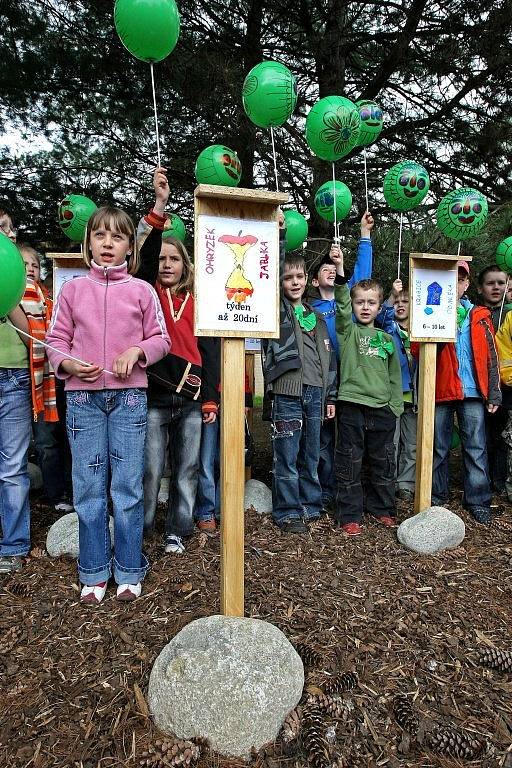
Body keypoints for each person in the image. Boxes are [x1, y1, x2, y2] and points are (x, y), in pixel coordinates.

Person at [46, 206, 170, 603]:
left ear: (129, 248)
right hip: (82, 400)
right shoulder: (72, 290)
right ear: (88, 243)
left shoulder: (141, 290)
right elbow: (55, 341)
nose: (107, 244)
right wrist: (65, 363)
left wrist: (136, 351)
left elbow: (161, 339)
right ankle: (95, 572)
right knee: (88, 489)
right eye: (100, 236)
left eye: (117, 237)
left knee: (128, 487)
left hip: (129, 398)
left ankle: (130, 570)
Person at [136, 168, 220, 553]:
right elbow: (146, 255)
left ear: (186, 265)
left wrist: (210, 397)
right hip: (153, 395)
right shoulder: (146, 293)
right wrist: (159, 206)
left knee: (186, 469)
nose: (167, 264)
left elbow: (210, 351)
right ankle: (144, 526)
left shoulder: (198, 303)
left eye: (175, 259)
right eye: (163, 259)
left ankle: (178, 530)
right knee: (151, 469)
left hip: (190, 396)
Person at [261, 213, 337, 534]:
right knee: (287, 453)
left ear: (307, 279)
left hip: (316, 392)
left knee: (311, 451)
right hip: (288, 390)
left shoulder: (314, 316)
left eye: (300, 276)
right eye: (288, 277)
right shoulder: (274, 310)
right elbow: (267, 274)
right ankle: (288, 511)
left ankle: (310, 504)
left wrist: (329, 394)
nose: (295, 282)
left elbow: (328, 357)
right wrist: (278, 236)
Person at [330, 248, 403, 535]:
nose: (364, 307)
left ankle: (382, 508)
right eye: (359, 302)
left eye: (371, 303)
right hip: (351, 405)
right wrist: (340, 270)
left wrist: (394, 406)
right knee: (349, 460)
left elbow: (395, 376)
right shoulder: (347, 332)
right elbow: (342, 306)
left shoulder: (385, 338)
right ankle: (349, 514)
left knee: (383, 461)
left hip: (382, 409)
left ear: (379, 306)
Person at [308, 211, 374, 512]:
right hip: (321, 379)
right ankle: (322, 490)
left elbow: (364, 275)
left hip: (350, 378)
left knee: (348, 439)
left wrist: (364, 236)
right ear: (313, 279)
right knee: (321, 438)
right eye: (325, 269)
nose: (331, 271)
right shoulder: (309, 308)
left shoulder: (348, 300)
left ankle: (346, 490)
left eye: (333, 268)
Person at [430, 260, 501, 525]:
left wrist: (493, 392)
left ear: (467, 284)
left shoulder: (480, 316)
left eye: (460, 280)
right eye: (451, 279)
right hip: (442, 389)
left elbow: (491, 357)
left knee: (475, 446)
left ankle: (478, 500)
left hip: (473, 391)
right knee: (438, 446)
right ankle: (437, 495)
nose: (456, 284)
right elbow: (419, 351)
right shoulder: (432, 311)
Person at [19, 244, 73, 513]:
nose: (30, 268)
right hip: (39, 383)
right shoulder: (14, 299)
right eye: (24, 264)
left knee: (66, 437)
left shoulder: (51, 298)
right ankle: (56, 494)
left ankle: (70, 491)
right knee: (45, 441)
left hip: (60, 379)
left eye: (35, 265)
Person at [377, 279, 417, 502]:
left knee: (411, 443)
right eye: (397, 301)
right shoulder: (388, 328)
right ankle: (387, 481)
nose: (401, 304)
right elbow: (382, 314)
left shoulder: (421, 331)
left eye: (406, 301)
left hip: (415, 398)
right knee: (390, 442)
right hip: (393, 396)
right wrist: (392, 294)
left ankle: (406, 484)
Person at [477, 264, 512, 495]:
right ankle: (483, 480)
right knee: (482, 435)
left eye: (501, 283)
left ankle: (499, 481)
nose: (496, 287)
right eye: (491, 283)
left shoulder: (509, 314)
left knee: (502, 437)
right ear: (480, 288)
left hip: (507, 388)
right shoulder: (476, 314)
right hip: (482, 385)